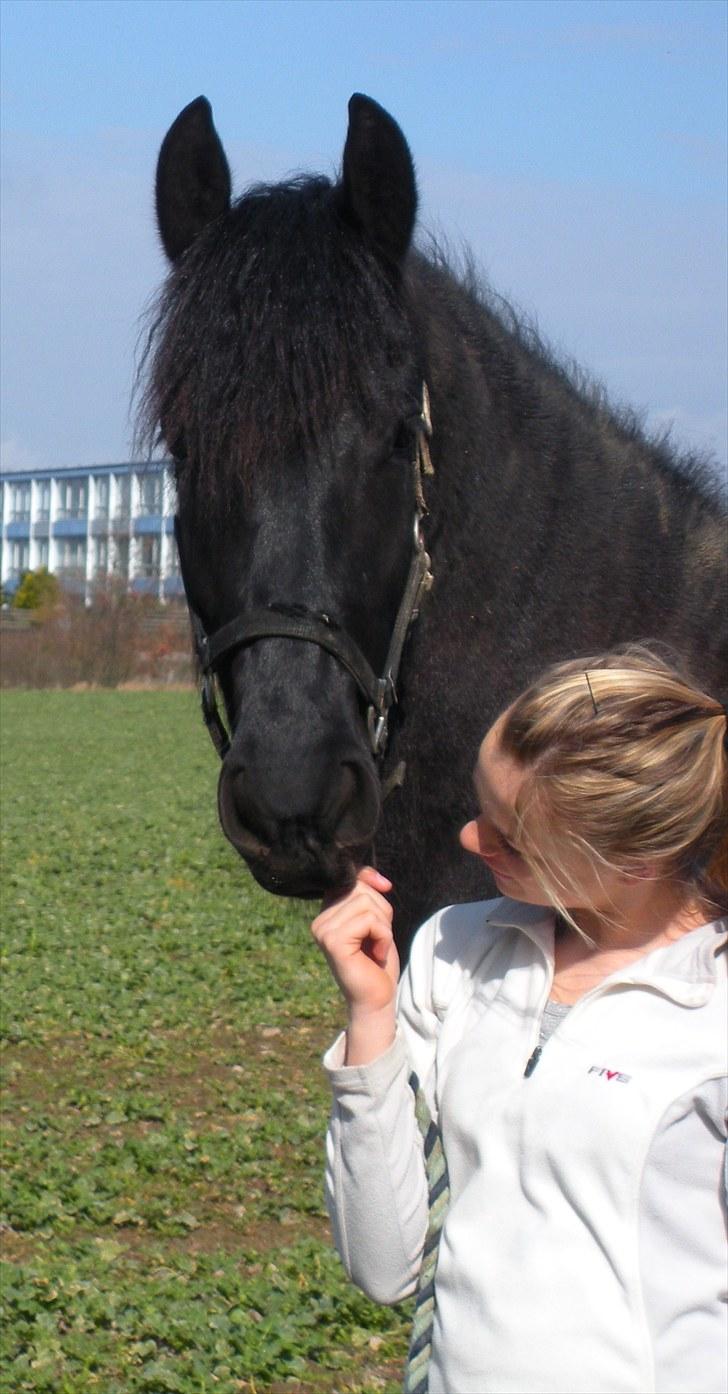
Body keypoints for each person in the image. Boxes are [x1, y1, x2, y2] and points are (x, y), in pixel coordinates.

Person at [311, 645, 727, 1394]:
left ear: (636, 860)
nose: (472, 840)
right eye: (481, 808)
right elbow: (383, 1266)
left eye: (513, 838)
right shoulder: (453, 949)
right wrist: (371, 1019)